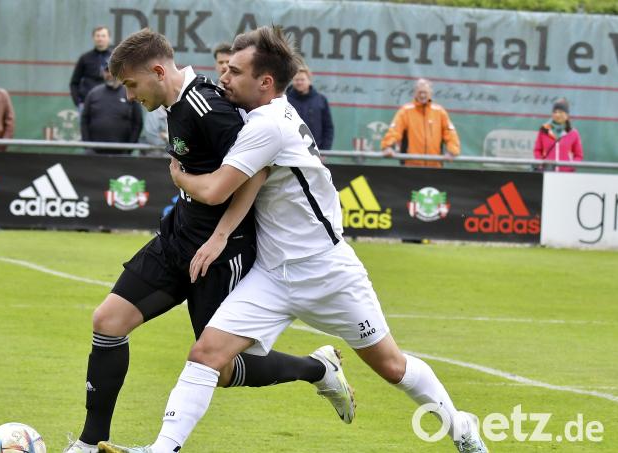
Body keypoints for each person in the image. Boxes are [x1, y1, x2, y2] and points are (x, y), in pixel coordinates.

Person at [99, 26, 487, 453]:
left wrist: (179, 175)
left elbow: (213, 190)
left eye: (236, 72)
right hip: (271, 273)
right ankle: (162, 449)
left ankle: (460, 426)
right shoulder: (257, 115)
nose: (224, 77)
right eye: (226, 69)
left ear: (265, 83)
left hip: (326, 272)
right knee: (207, 353)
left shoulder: (267, 126)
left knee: (392, 367)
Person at [64, 29, 350, 453]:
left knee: (217, 366)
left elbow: (257, 170)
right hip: (177, 240)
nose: (128, 96)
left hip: (221, 253)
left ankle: (317, 368)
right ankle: (90, 444)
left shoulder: (208, 108)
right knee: (107, 322)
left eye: (131, 85)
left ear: (158, 72)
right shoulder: (175, 103)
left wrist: (218, 236)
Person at [380, 78, 460, 167]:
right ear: (415, 93)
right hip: (410, 166)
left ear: (431, 93)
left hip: (435, 166)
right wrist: (387, 147)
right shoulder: (406, 111)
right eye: (420, 92)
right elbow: (394, 131)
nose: (422, 95)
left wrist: (452, 151)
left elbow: (449, 132)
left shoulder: (440, 112)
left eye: (425, 92)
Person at [80, 64, 143, 155]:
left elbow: (138, 123)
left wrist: (129, 148)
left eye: (112, 71)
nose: (109, 74)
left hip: (122, 154)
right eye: (106, 71)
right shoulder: (93, 93)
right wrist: (87, 146)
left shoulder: (130, 94)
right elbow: (84, 120)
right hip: (95, 153)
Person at [285, 65, 333, 150]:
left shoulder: (321, 100)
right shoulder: (285, 101)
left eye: (302, 80)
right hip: (290, 151)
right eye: (296, 80)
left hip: (314, 152)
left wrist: (325, 151)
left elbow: (328, 128)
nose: (299, 82)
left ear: (309, 81)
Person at [70, 26, 112, 116]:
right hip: (87, 104)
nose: (100, 38)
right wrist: (78, 102)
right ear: (93, 38)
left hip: (109, 104)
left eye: (103, 36)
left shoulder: (115, 58)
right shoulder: (85, 58)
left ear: (109, 38)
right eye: (98, 36)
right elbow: (74, 83)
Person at [533, 98, 583, 172]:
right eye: (555, 112)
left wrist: (571, 167)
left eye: (560, 112)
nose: (557, 114)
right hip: (547, 173)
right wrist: (541, 164)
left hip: (566, 174)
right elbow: (537, 150)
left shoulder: (573, 132)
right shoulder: (544, 129)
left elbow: (578, 155)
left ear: (566, 114)